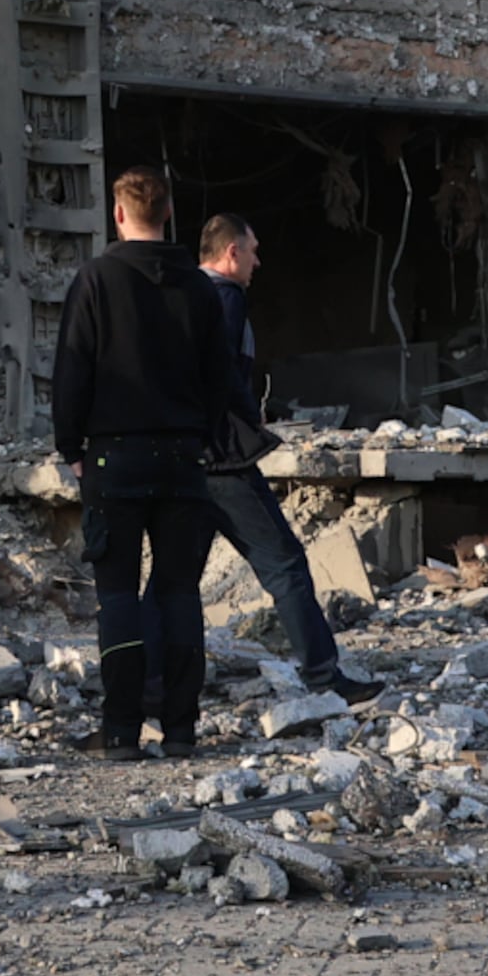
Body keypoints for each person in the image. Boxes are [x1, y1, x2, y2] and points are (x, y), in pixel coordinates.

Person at [51, 167, 231, 760]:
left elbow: (72, 369)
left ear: (118, 214)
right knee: (180, 594)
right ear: (169, 213)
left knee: (119, 597)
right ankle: (181, 729)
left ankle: (122, 730)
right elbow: (222, 377)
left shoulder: (96, 280)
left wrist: (70, 448)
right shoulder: (201, 289)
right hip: (183, 457)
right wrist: (208, 438)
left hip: (114, 456)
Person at [197, 214, 380, 705]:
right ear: (231, 252)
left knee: (175, 580)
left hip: (180, 459)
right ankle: (324, 675)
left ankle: (157, 685)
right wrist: (247, 421)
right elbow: (218, 369)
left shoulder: (177, 297)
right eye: (253, 251)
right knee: (286, 565)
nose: (259, 262)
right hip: (222, 460)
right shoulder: (225, 297)